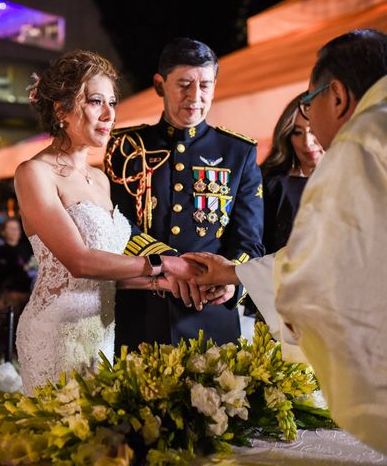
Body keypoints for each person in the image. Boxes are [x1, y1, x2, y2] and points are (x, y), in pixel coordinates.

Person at [185, 29, 387, 454]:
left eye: (308, 104)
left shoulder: (363, 141)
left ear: (337, 96)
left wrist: (245, 278)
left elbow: (324, 265)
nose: (309, 123)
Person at [15, 50, 200, 394]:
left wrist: (169, 280)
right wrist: (163, 263)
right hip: (56, 331)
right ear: (61, 109)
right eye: (96, 101)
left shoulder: (101, 179)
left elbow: (112, 269)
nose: (109, 114)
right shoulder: (34, 173)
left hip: (101, 330)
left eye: (112, 102)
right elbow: (80, 261)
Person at [105, 38, 265, 353]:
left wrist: (231, 285)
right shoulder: (126, 147)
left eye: (205, 85)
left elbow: (249, 239)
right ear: (159, 85)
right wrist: (170, 263)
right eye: (184, 85)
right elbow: (116, 223)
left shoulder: (238, 152)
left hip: (211, 317)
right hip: (141, 313)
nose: (195, 97)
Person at [259, 94, 324, 253]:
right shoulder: (272, 186)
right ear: (287, 136)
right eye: (297, 132)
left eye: (313, 131)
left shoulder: (354, 177)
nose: (307, 143)